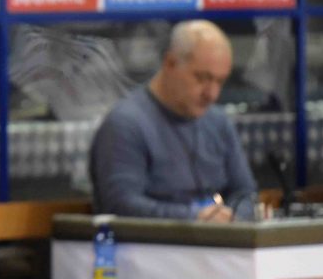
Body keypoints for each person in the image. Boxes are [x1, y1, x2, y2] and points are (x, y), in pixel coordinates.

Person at [89, 20, 256, 222]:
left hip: (220, 239)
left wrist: (234, 218)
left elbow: (244, 192)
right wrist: (195, 218)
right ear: (170, 63)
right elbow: (122, 206)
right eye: (202, 78)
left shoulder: (218, 122)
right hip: (153, 241)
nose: (212, 93)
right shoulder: (126, 124)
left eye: (220, 81)